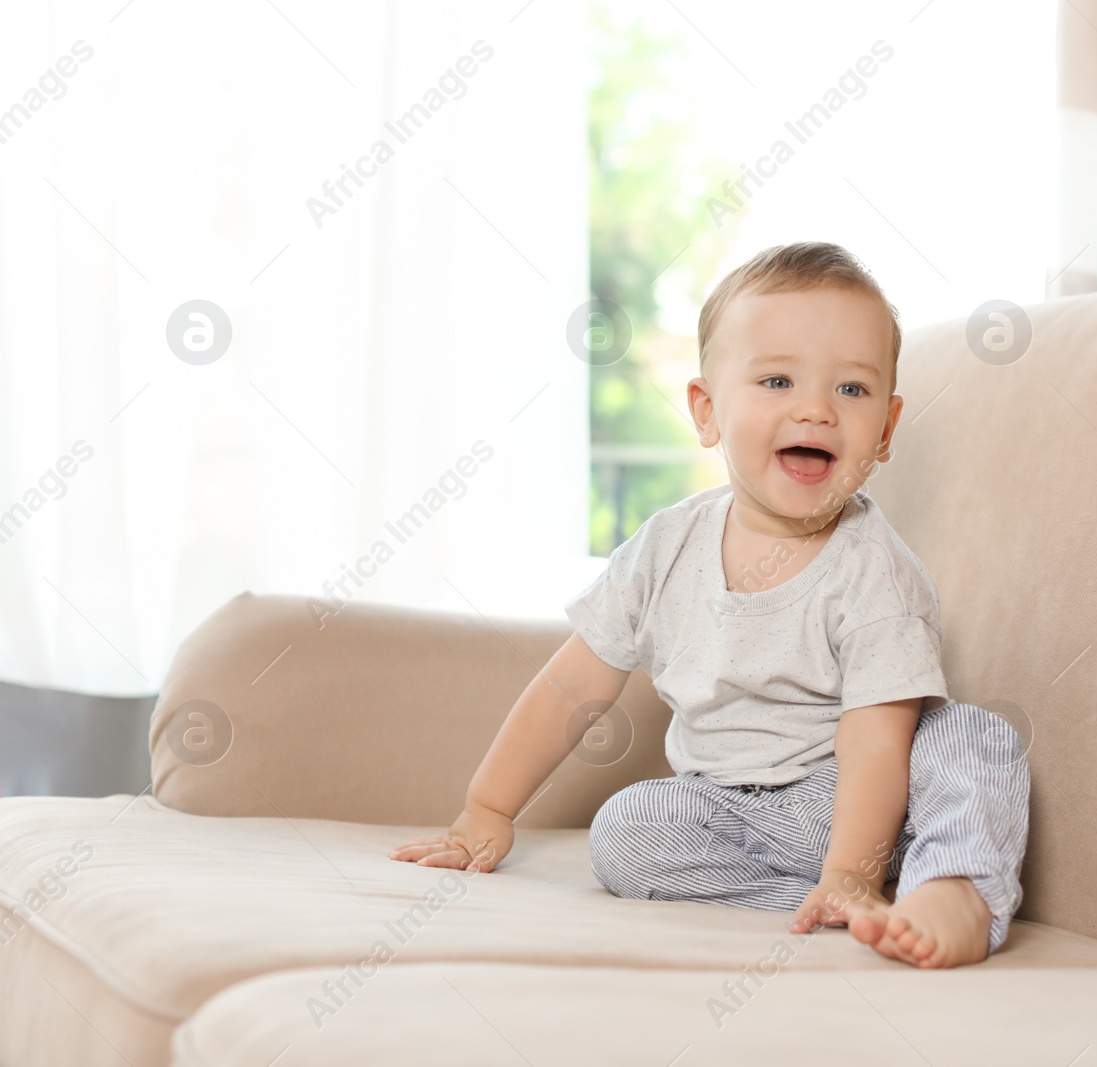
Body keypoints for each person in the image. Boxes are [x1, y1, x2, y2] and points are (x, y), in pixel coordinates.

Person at [390, 241, 1029, 968]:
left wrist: (854, 862)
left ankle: (951, 886)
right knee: (626, 830)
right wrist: (489, 807)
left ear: (884, 430)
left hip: (866, 794)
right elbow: (571, 687)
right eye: (778, 380)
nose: (815, 409)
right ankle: (834, 898)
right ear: (707, 410)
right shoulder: (666, 548)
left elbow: (876, 742)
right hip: (732, 810)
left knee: (970, 736)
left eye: (851, 390)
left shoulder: (875, 569)